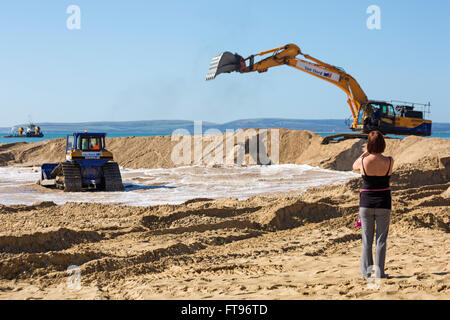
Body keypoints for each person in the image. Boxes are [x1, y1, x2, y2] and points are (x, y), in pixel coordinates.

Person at [352, 130, 394, 279]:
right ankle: (380, 273)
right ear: (383, 144)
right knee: (381, 240)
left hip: (366, 203)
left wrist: (365, 153)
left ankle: (366, 272)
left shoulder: (363, 161)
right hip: (383, 202)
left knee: (367, 240)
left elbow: (354, 165)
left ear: (369, 145)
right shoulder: (389, 161)